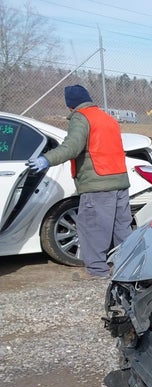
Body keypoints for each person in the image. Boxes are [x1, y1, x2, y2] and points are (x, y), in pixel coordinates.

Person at [27, 85, 131, 280]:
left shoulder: (81, 117)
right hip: (120, 181)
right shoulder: (107, 118)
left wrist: (46, 159)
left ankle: (96, 271)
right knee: (121, 229)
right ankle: (127, 268)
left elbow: (72, 147)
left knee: (93, 227)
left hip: (97, 183)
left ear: (70, 106)